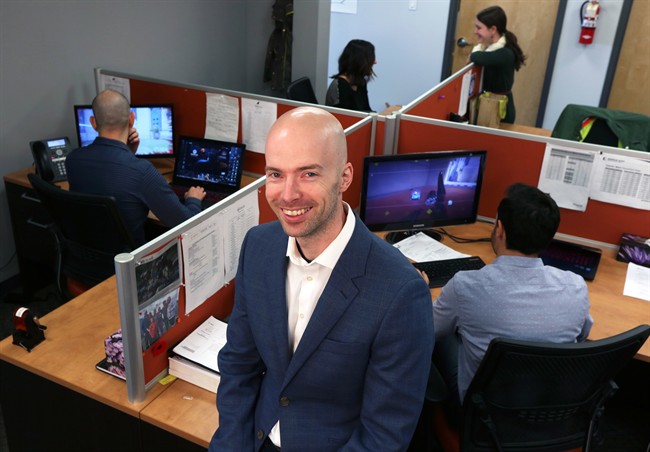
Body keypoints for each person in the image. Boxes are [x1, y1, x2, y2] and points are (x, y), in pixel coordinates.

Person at [209, 106, 434, 451]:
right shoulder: (257, 247)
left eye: (309, 174)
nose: (288, 194)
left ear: (344, 177)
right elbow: (238, 365)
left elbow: (383, 436)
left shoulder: (400, 292)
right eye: (276, 174)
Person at [431, 183, 593, 420]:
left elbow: (426, 330)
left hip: (482, 419)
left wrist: (420, 290)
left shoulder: (465, 286)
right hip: (547, 414)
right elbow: (582, 336)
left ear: (500, 230)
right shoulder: (576, 286)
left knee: (445, 332)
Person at [65, 89, 206, 245]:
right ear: (132, 119)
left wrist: (129, 152)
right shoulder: (141, 171)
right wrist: (193, 200)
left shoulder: (73, 159)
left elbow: (107, 179)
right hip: (130, 259)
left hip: (84, 255)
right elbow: (186, 224)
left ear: (93, 122)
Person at [469, 6, 526, 124]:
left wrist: (472, 56)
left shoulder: (505, 53)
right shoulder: (488, 48)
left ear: (493, 29)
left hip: (500, 110)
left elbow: (476, 57)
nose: (475, 31)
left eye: (479, 28)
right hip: (488, 103)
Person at [325, 39, 376, 112]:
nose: (375, 62)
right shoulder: (340, 86)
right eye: (371, 58)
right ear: (360, 61)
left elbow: (366, 110)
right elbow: (344, 117)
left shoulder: (361, 82)